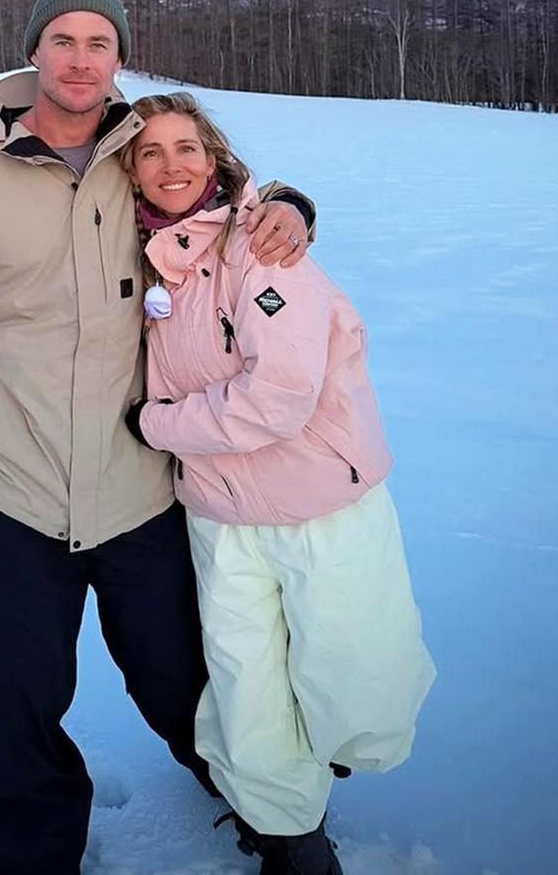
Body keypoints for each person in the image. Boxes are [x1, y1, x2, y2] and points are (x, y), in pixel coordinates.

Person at [0, 0, 314, 874]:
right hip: (10, 492)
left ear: (120, 55)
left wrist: (294, 208)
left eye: (99, 43)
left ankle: (278, 822)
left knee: (190, 682)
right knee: (17, 702)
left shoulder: (137, 158)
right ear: (34, 49)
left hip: (139, 490)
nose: (81, 60)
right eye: (64, 40)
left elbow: (228, 200)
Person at [120, 91, 436, 875]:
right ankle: (291, 837)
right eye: (149, 152)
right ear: (127, 170)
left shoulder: (262, 248)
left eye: (186, 148)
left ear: (216, 157)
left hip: (317, 503)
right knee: (244, 685)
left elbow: (280, 398)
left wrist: (154, 426)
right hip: (219, 516)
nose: (170, 167)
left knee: (349, 676)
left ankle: (319, 773)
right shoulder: (143, 259)